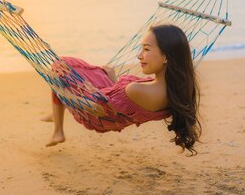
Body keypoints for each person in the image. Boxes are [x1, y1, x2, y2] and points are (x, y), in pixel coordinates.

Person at [43, 24, 201, 155]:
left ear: (166, 57)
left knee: (61, 67)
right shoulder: (173, 89)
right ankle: (57, 115)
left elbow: (98, 109)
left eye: (146, 49)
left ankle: (58, 123)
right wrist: (113, 81)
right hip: (109, 102)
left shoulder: (139, 90)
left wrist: (65, 94)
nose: (139, 55)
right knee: (69, 67)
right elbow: (124, 105)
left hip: (96, 112)